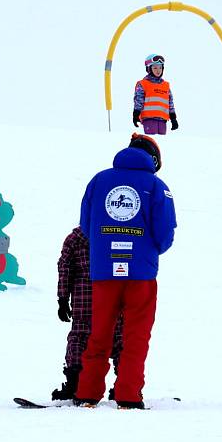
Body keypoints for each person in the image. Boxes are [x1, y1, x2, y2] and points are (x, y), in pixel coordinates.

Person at [74, 133, 177, 409]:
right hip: (141, 274)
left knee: (98, 334)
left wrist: (105, 246)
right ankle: (129, 396)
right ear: (154, 159)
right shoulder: (157, 186)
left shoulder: (98, 181)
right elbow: (165, 232)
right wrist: (149, 251)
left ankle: (87, 393)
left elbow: (86, 225)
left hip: (104, 273)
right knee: (136, 337)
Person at [51, 226, 123, 401]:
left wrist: (62, 298)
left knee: (79, 339)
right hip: (113, 299)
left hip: (84, 301)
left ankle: (74, 384)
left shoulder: (75, 238)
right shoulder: (117, 233)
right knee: (119, 339)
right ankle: (123, 386)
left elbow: (65, 268)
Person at [133, 54, 178, 135]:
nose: (158, 70)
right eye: (155, 68)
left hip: (162, 121)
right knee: (153, 140)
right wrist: (136, 114)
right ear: (149, 69)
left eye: (160, 67)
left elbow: (170, 104)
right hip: (149, 119)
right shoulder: (143, 84)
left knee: (161, 144)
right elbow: (139, 101)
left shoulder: (166, 85)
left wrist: (173, 119)